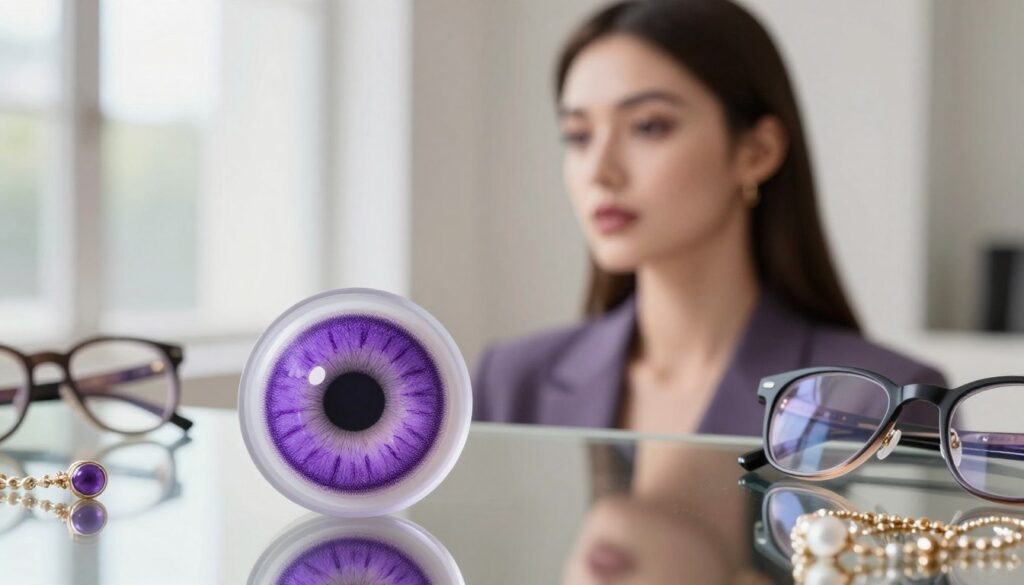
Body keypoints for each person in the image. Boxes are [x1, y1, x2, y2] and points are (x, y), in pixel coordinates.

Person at [472, 0, 944, 436]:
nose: (599, 170)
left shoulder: (888, 401)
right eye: (578, 136)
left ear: (757, 151)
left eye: (648, 126)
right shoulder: (511, 383)